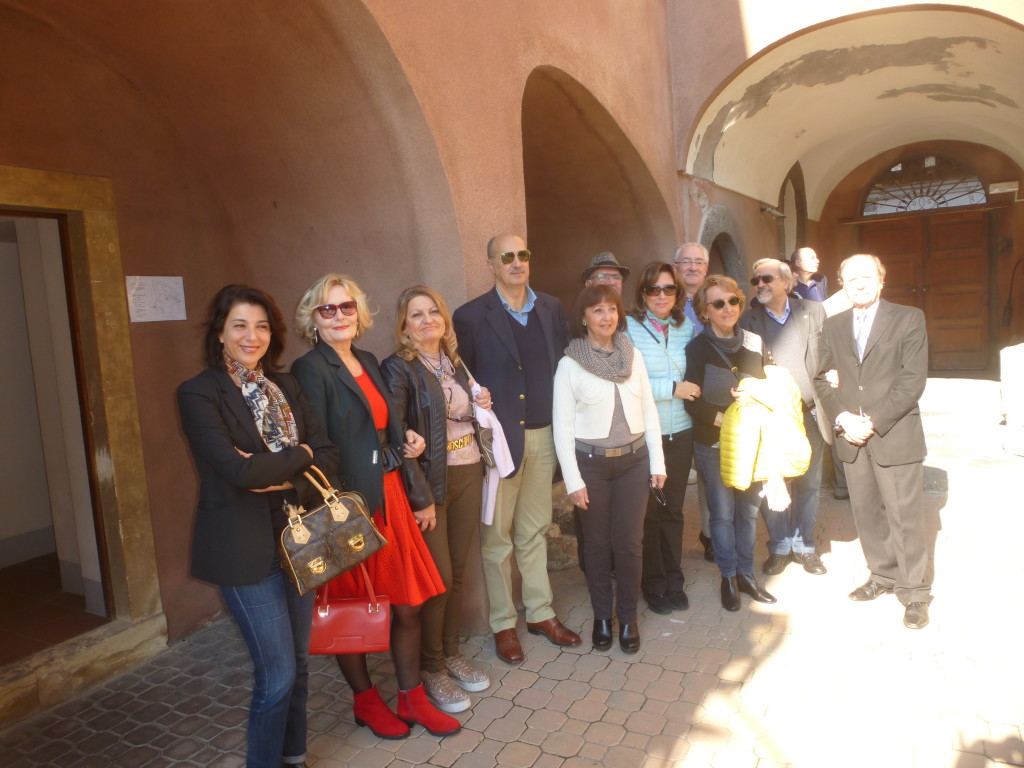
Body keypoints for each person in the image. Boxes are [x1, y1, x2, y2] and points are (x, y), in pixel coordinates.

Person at [291, 274, 461, 739]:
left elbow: (384, 427)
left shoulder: (366, 359)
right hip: (350, 504)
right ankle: (366, 701)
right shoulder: (311, 368)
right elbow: (322, 445)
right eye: (328, 309)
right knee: (354, 607)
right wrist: (378, 463)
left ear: (359, 313)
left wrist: (403, 439)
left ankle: (412, 698)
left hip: (391, 497)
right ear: (314, 318)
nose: (339, 316)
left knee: (408, 605)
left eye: (346, 307)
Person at [177, 285, 338, 768]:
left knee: (301, 665)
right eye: (240, 326)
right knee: (278, 674)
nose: (252, 336)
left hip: (299, 539)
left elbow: (326, 455)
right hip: (245, 552)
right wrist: (298, 460)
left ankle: (294, 756)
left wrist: (289, 466)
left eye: (262, 325)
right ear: (220, 334)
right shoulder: (198, 393)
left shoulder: (286, 387)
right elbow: (238, 472)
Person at [452, 233, 582, 665]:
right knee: (497, 538)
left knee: (534, 529)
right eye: (506, 256)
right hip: (500, 443)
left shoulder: (550, 307)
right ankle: (504, 624)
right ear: (491, 264)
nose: (516, 262)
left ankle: (540, 614)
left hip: (543, 435)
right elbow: (461, 378)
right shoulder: (471, 316)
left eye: (523, 254)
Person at [380, 285, 492, 714]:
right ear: (404, 325)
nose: (427, 320)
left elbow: (463, 414)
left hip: (469, 473)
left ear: (444, 319)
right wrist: (420, 496)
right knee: (438, 578)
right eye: (416, 315)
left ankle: (450, 653)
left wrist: (481, 404)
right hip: (432, 484)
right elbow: (397, 435)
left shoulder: (455, 361)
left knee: (458, 573)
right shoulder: (399, 369)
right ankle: (431, 668)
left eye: (433, 312)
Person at [814, 254, 931, 630]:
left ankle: (914, 591)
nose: (859, 284)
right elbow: (821, 378)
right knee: (866, 514)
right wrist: (843, 418)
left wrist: (873, 420)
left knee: (905, 518)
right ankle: (882, 576)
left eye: (866, 277)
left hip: (893, 433)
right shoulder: (832, 326)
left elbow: (912, 380)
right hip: (851, 436)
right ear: (842, 285)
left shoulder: (909, 318)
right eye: (851, 279)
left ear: (882, 280)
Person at [553, 284, 666, 653]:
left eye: (612, 309)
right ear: (584, 317)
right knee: (598, 546)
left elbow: (649, 410)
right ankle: (603, 616)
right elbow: (563, 427)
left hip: (634, 463)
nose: (606, 316)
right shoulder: (570, 364)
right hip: (592, 467)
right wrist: (573, 479)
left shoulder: (632, 356)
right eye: (597, 310)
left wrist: (657, 461)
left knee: (630, 543)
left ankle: (629, 619)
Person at [684, 275, 777, 611]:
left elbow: (772, 387)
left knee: (748, 512)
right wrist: (726, 421)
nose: (727, 308)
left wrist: (756, 399)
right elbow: (691, 399)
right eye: (718, 303)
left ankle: (747, 575)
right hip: (714, 443)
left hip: (752, 443)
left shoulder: (754, 342)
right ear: (704, 312)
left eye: (733, 301)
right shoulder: (696, 348)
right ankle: (728, 576)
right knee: (722, 514)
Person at [739, 258, 829, 576]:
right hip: (772, 413)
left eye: (767, 279)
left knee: (808, 481)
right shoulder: (749, 320)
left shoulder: (814, 312)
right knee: (772, 479)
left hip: (810, 411)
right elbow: (748, 366)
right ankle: (779, 546)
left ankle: (804, 545)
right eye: (756, 281)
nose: (760, 285)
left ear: (787, 282)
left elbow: (828, 354)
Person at [625, 262, 700, 614]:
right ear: (643, 294)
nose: (661, 296)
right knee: (650, 513)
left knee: (673, 511)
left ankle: (674, 579)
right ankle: (652, 583)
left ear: (677, 294)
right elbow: (626, 383)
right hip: (646, 436)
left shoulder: (685, 328)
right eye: (654, 289)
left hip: (681, 432)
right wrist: (673, 388)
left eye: (668, 289)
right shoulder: (629, 330)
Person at [673, 243, 715, 562]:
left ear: (706, 266)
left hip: (708, 398)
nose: (691, 266)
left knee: (708, 472)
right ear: (676, 266)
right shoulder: (666, 299)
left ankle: (711, 533)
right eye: (685, 261)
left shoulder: (715, 298)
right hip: (673, 398)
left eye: (697, 261)